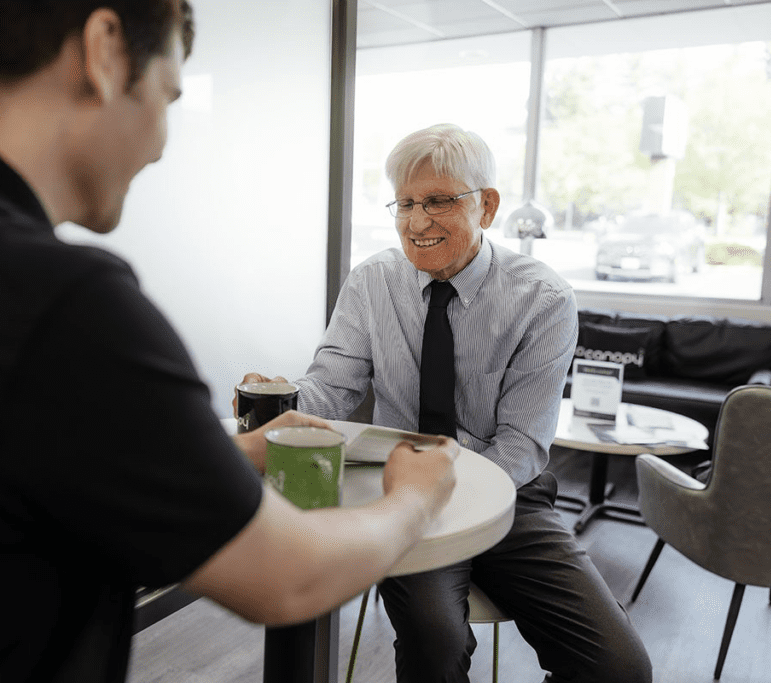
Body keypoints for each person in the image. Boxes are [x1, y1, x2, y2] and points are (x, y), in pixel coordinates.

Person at [0, 2, 459, 681]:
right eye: (168, 96)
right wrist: (413, 498)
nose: (158, 143)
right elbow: (288, 575)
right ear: (106, 51)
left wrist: (224, 453)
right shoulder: (56, 301)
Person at [240, 123, 652, 683]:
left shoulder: (544, 298)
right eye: (405, 203)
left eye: (437, 201)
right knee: (437, 645)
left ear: (487, 206)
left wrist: (450, 492)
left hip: (513, 497)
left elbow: (521, 444)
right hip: (401, 489)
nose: (416, 222)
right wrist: (279, 400)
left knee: (619, 667)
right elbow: (331, 391)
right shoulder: (371, 283)